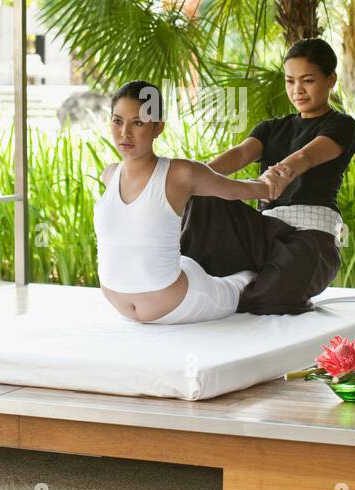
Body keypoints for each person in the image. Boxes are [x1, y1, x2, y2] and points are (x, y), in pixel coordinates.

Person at [181, 37, 355, 314]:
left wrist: (278, 173)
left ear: (331, 79)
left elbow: (307, 156)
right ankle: (228, 279)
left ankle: (250, 284)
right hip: (263, 233)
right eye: (290, 81)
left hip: (310, 239)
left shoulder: (341, 125)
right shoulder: (272, 127)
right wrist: (192, 176)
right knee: (203, 197)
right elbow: (240, 154)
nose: (297, 89)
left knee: (271, 297)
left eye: (308, 80)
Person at [93, 79, 287, 325]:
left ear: (157, 128)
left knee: (243, 281)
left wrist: (268, 185)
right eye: (117, 121)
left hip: (180, 302)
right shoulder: (109, 175)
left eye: (138, 123)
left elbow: (233, 191)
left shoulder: (180, 173)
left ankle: (249, 273)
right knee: (186, 260)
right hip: (126, 304)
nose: (124, 133)